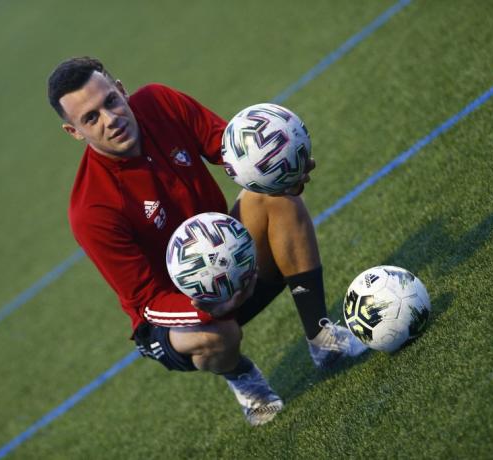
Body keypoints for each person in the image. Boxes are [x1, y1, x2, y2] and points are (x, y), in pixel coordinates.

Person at [47, 57, 367, 426]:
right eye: (90, 118)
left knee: (275, 197)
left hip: (233, 259)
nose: (110, 119)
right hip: (173, 314)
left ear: (121, 89)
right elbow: (146, 301)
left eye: (110, 101)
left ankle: (322, 339)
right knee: (220, 335)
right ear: (74, 132)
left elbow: (230, 151)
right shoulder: (92, 209)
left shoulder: (159, 103)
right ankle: (242, 377)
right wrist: (208, 309)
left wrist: (281, 172)